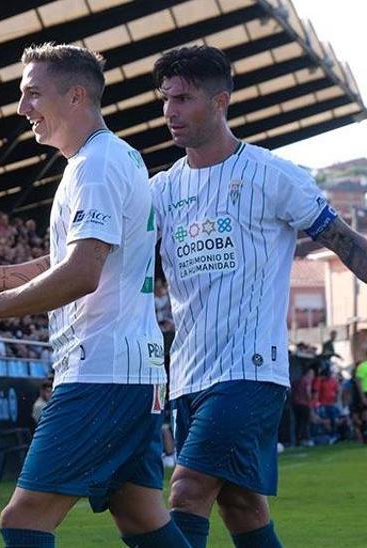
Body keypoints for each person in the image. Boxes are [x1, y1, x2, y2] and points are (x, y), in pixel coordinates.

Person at [0, 44, 185, 548]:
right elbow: (66, 261)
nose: (23, 108)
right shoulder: (108, 157)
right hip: (130, 372)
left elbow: (81, 274)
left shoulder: (96, 165)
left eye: (33, 94)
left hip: (101, 372)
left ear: (76, 95)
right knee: (141, 517)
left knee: (24, 520)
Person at [149, 45, 367, 548]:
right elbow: (95, 254)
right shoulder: (160, 190)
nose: (169, 111)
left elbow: (348, 246)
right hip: (188, 375)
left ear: (220, 101)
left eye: (182, 99)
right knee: (241, 505)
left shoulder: (273, 175)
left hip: (250, 370)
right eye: (166, 99)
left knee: (186, 490)